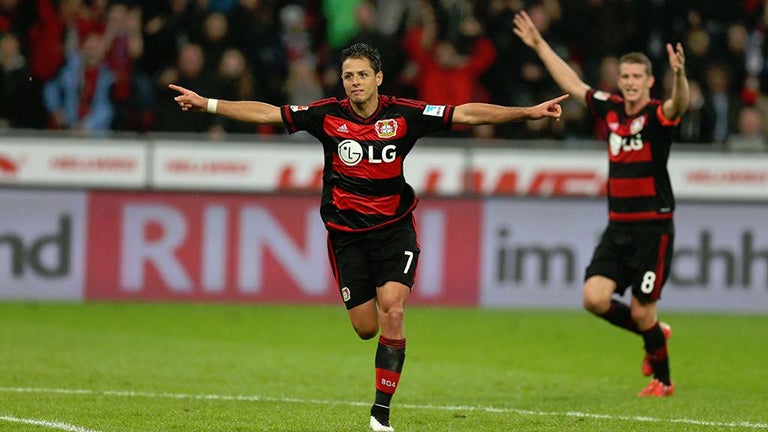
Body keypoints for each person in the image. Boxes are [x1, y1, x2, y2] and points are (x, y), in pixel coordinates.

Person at [170, 42, 566, 431]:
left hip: (394, 231)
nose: (355, 82)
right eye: (348, 76)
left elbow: (466, 113)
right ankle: (379, 383)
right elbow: (269, 113)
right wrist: (209, 104)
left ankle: (381, 413)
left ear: (378, 78)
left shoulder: (405, 114)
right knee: (365, 328)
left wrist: (527, 112)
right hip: (347, 237)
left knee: (393, 310)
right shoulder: (326, 115)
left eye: (362, 75)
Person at [513, 11, 690, 397]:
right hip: (618, 226)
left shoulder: (656, 115)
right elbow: (573, 85)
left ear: (649, 81)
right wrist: (540, 44)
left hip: (652, 228)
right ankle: (655, 333)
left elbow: (678, 105)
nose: (630, 82)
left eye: (637, 77)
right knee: (593, 298)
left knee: (642, 310)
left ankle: (663, 380)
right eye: (625, 76)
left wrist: (679, 76)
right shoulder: (610, 108)